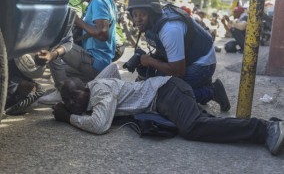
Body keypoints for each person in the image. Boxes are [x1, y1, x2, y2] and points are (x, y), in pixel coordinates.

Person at [52, 63, 284, 156]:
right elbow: (113, 68)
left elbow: (100, 125)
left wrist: (69, 116)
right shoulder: (94, 85)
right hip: (164, 96)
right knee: (204, 124)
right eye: (67, 100)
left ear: (86, 88)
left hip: (166, 91)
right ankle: (259, 127)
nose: (72, 102)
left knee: (193, 127)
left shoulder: (99, 90)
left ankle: (265, 128)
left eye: (74, 95)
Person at [125, 0, 230, 111]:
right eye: (135, 14)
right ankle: (199, 85)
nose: (137, 19)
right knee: (156, 83)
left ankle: (212, 91)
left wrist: (150, 61)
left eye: (142, 14)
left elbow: (178, 71)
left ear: (153, 13)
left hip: (203, 63)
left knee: (165, 95)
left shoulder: (169, 29)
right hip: (188, 58)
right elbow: (163, 49)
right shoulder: (153, 24)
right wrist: (152, 60)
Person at [36, 0, 117, 103]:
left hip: (95, 61)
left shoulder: (99, 1)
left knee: (55, 44)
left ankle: (61, 92)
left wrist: (78, 21)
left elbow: (103, 34)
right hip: (100, 62)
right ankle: (74, 89)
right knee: (59, 71)